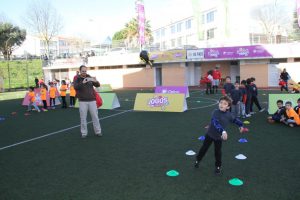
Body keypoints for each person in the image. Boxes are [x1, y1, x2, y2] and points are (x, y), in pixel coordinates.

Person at [194, 96, 246, 174]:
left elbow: (235, 120)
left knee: (217, 152)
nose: (221, 104)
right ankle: (198, 160)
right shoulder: (215, 112)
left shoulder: (229, 115)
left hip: (218, 137)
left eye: (225, 104)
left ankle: (218, 166)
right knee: (204, 148)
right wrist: (223, 131)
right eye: (221, 102)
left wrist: (241, 125)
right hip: (210, 134)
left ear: (228, 107)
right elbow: (215, 123)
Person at [74, 65, 102, 138]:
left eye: (85, 71)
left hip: (92, 100)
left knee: (95, 117)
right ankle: (84, 133)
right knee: (83, 118)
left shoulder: (89, 77)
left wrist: (95, 81)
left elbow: (97, 85)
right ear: (80, 71)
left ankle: (98, 131)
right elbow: (76, 87)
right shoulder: (77, 78)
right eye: (83, 71)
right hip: (82, 101)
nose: (84, 72)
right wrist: (83, 82)